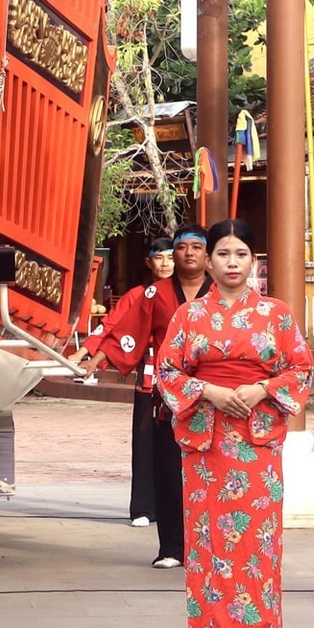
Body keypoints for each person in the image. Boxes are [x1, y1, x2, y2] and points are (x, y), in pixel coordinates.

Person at [154, 217, 313, 628]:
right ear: (208, 259)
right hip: (207, 441)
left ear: (253, 260)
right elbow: (169, 371)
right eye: (222, 253)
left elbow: (300, 368)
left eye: (240, 254)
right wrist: (210, 391)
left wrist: (261, 391)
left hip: (256, 441)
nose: (231, 262)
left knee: (255, 540)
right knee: (207, 539)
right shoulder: (189, 317)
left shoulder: (276, 314)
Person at [78, 225, 213, 568]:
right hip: (170, 396)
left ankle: (209, 547)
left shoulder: (222, 293)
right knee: (168, 470)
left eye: (197, 247)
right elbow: (129, 330)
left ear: (207, 254)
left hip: (216, 397)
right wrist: (99, 356)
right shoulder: (155, 295)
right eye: (181, 247)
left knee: (211, 473)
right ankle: (171, 547)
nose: (187, 253)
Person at [77, 238, 174, 527]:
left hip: (186, 381)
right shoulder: (138, 295)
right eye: (160, 258)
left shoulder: (195, 294)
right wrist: (87, 354)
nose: (166, 263)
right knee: (145, 446)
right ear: (148, 263)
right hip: (149, 377)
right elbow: (115, 329)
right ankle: (144, 507)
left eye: (172, 256)